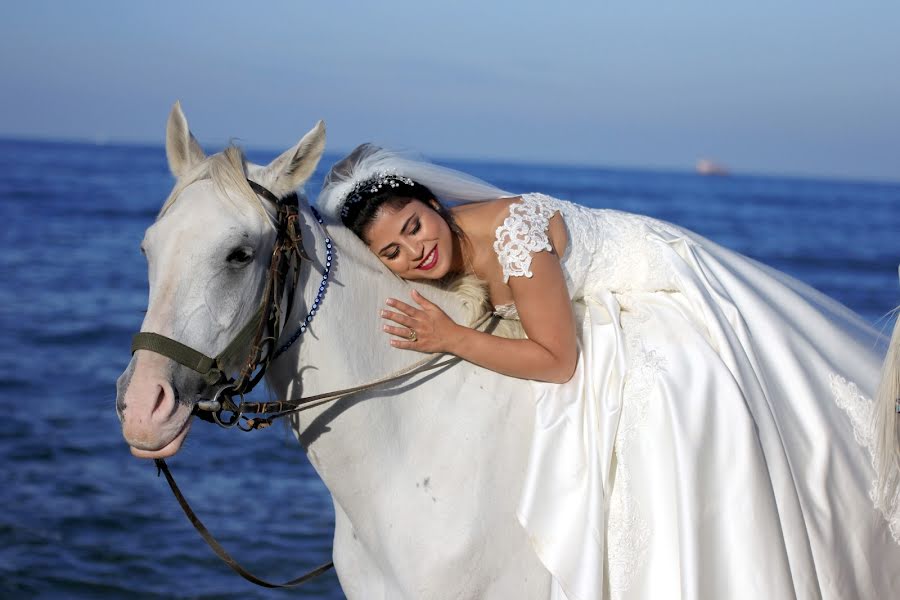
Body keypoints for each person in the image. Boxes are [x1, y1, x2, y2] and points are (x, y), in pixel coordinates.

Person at [317, 144, 900, 600]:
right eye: (391, 253)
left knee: (675, 398)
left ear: (436, 207)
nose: (412, 254)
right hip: (580, 307)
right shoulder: (435, 255)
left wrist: (453, 338)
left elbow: (557, 360)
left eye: (414, 228)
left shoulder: (515, 236)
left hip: (651, 287)